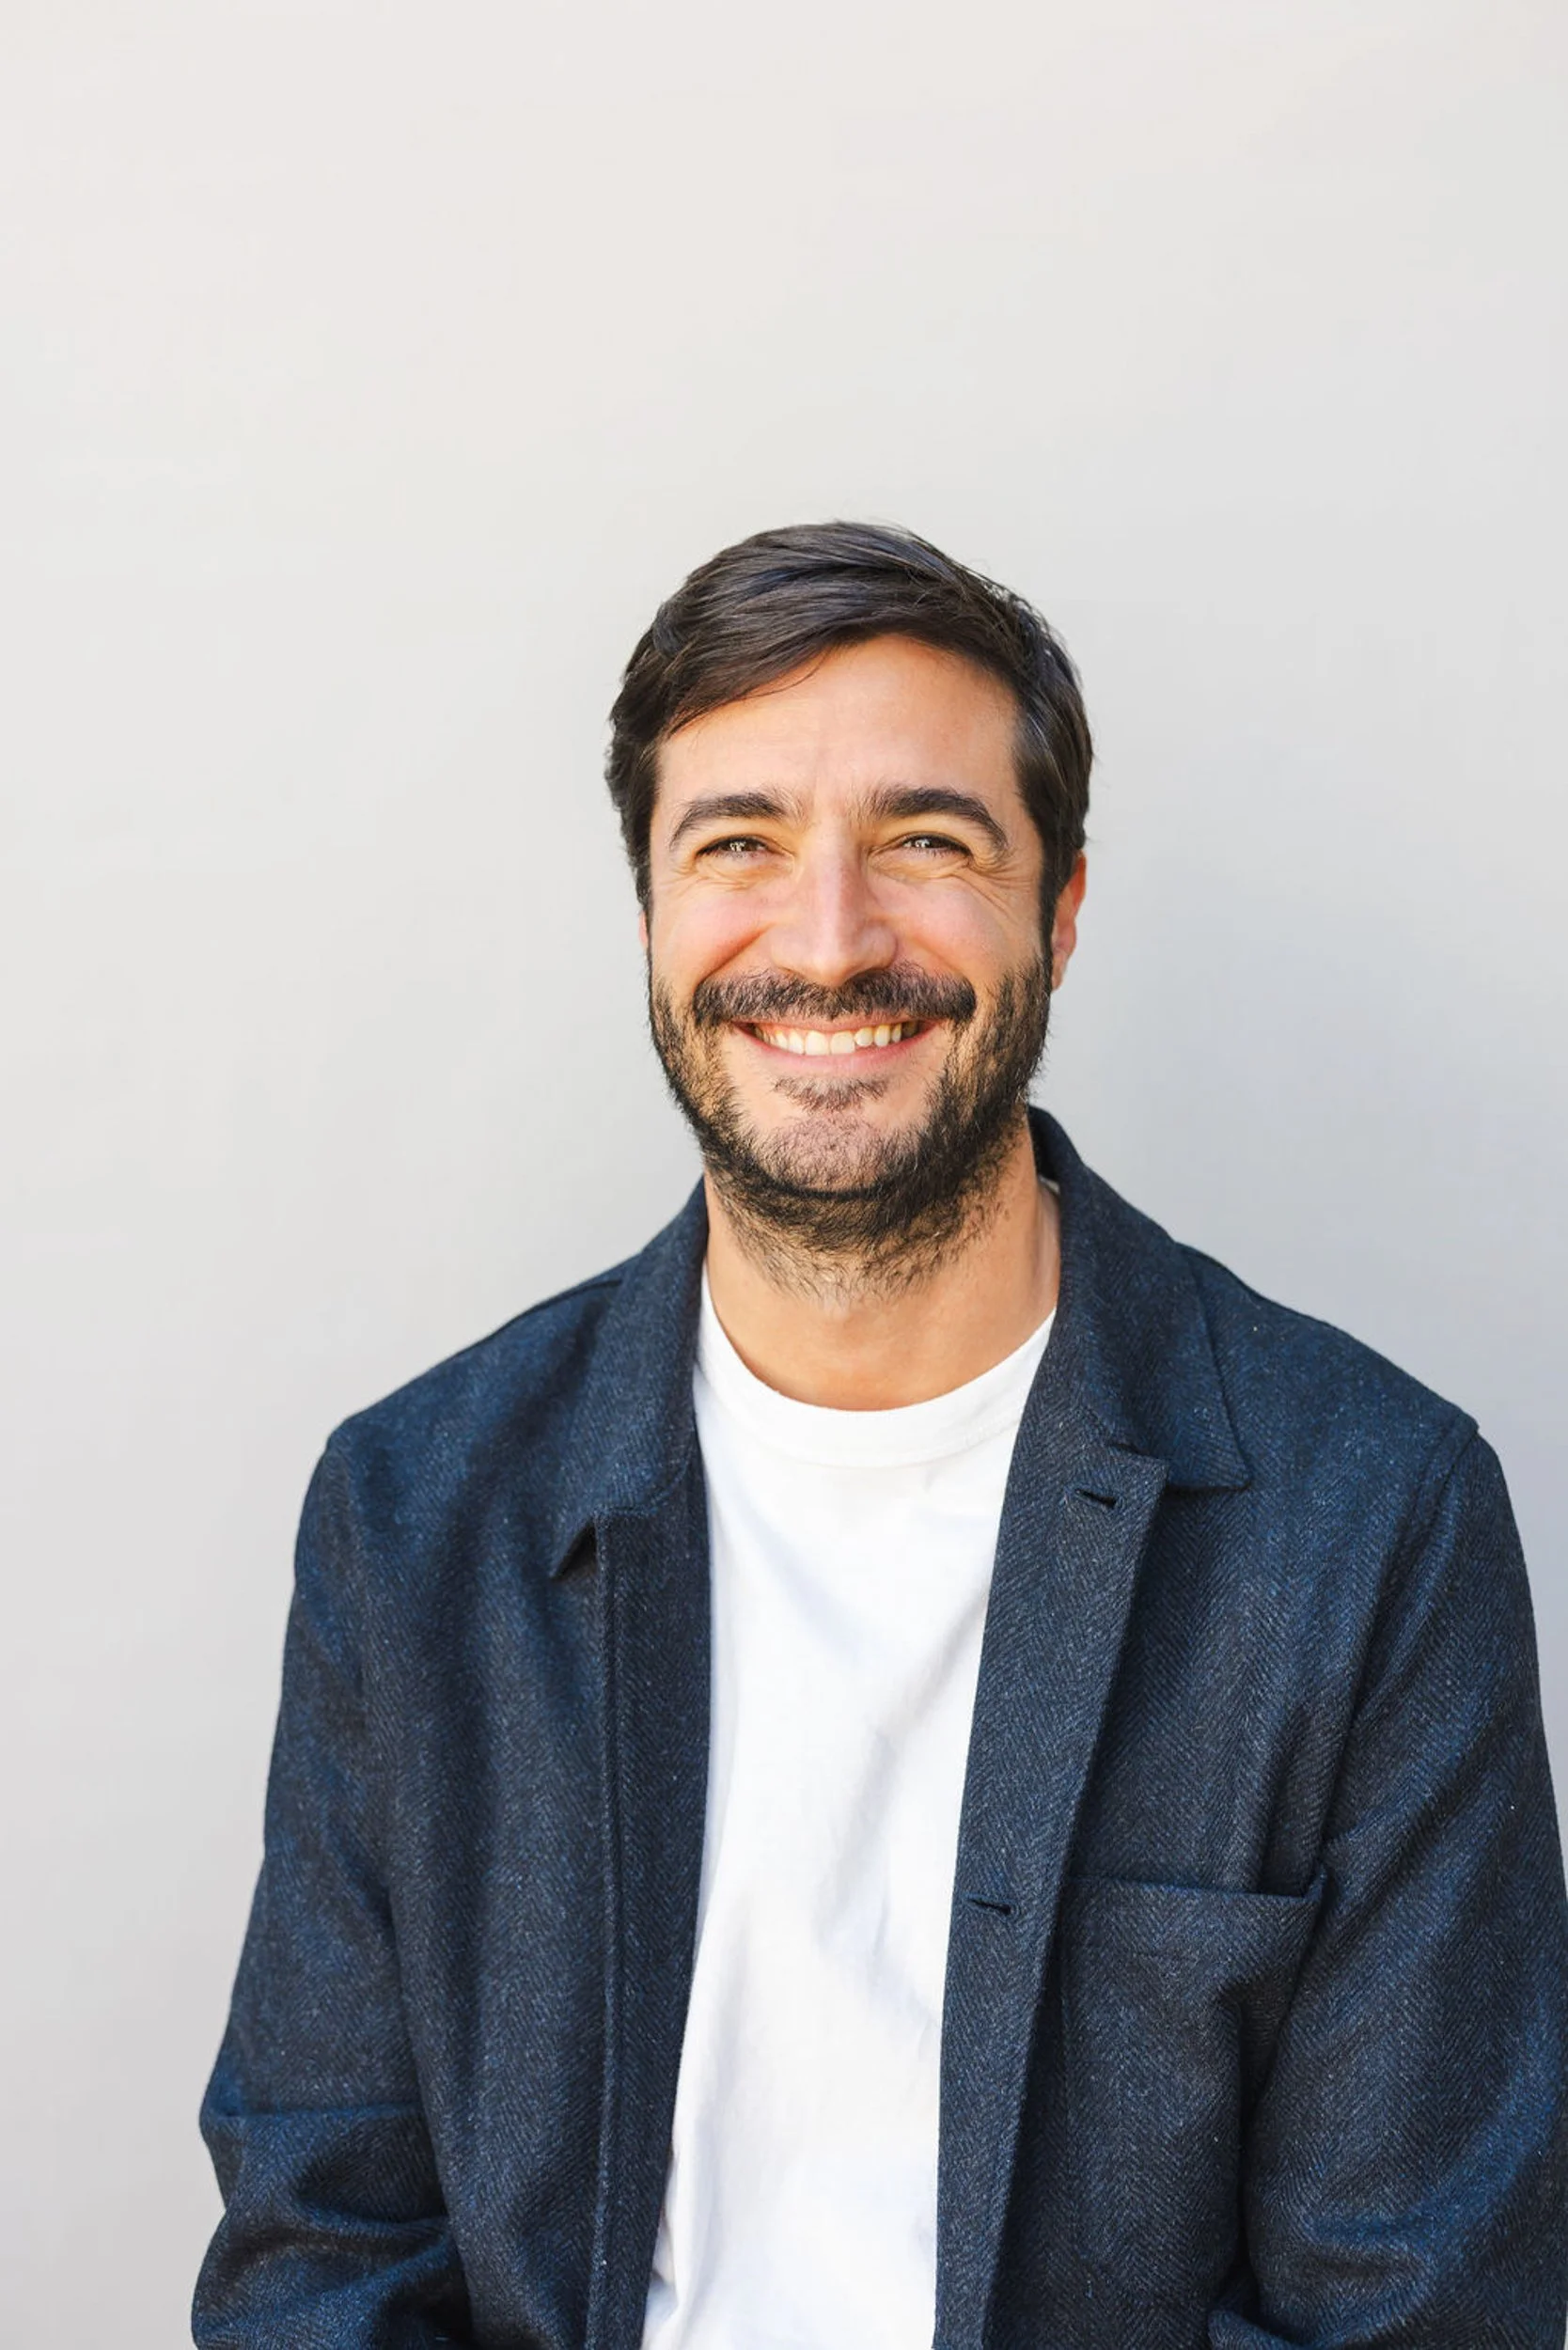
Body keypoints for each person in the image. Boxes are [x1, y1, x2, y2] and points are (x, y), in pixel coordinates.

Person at [195, 522, 1568, 2349]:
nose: (829, 940)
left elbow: (1421, 2310)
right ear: (650, 917)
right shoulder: (412, 1516)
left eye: (927, 840)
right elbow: (323, 2259)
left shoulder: (1370, 1522)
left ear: (1059, 910)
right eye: (738, 844)